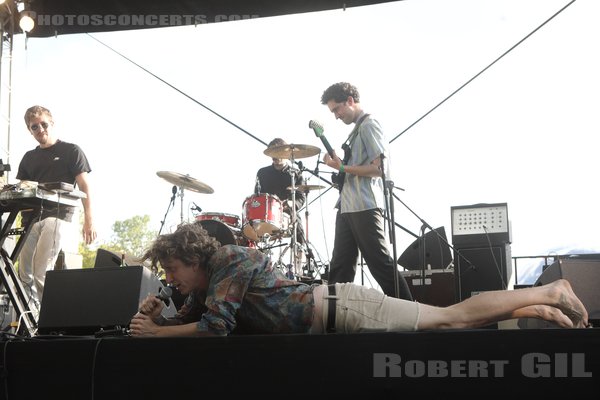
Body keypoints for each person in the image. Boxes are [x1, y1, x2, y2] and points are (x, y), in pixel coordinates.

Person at [129, 221, 589, 337]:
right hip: (336, 314)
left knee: (451, 318)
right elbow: (186, 329)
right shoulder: (209, 287)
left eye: (171, 270)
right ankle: (530, 305)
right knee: (454, 325)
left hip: (345, 307)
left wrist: (154, 334)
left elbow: (214, 329)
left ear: (193, 258)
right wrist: (155, 318)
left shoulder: (229, 258)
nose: (170, 279)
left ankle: (550, 289)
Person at [319, 82, 411, 299]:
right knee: (340, 266)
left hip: (365, 205)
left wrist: (342, 167)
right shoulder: (356, 131)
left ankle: (411, 313)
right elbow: (355, 168)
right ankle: (333, 320)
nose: (336, 116)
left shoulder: (369, 125)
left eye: (337, 109)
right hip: (347, 205)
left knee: (379, 262)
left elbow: (380, 168)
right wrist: (341, 170)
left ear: (350, 101)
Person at [16, 105, 96, 306]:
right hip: (32, 219)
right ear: (29, 130)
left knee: (41, 271)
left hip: (58, 217)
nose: (40, 129)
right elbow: (21, 189)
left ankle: (47, 321)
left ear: (52, 123)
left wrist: (89, 221)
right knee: (23, 273)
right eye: (35, 127)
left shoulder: (71, 150)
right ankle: (30, 320)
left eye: (44, 124)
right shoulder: (28, 157)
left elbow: (85, 186)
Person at [254, 138, 307, 276]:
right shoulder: (262, 173)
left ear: (286, 153)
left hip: (288, 213)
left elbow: (301, 198)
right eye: (272, 153)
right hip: (266, 215)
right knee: (250, 224)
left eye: (278, 153)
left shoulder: (295, 173)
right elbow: (257, 197)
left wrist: (290, 204)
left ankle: (298, 267)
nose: (275, 157)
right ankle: (256, 265)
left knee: (298, 227)